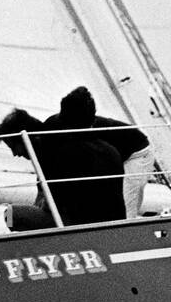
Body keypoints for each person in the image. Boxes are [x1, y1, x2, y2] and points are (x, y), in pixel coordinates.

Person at [0, 108, 125, 226]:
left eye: (14, 147)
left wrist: (44, 205)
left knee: (10, 214)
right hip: (101, 216)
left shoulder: (52, 156)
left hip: (78, 221)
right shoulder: (57, 148)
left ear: (27, 138)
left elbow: (56, 203)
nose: (15, 154)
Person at [46, 87, 153, 218]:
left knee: (127, 206)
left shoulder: (91, 131)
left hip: (137, 154)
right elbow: (45, 157)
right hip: (119, 154)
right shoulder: (53, 126)